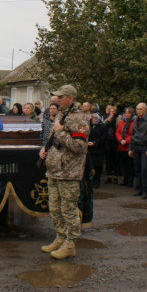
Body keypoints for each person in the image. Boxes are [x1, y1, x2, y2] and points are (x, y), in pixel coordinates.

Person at [38, 85, 89, 260]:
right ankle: (60, 237)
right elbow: (52, 136)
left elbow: (79, 146)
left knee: (68, 208)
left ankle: (70, 243)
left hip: (69, 171)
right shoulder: (61, 114)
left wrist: (60, 134)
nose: (56, 100)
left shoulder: (79, 118)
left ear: (70, 98)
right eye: (56, 97)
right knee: (55, 207)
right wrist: (44, 149)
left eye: (60, 97)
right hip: (54, 169)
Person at [129, 103, 147, 199]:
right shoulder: (136, 119)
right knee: (137, 169)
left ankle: (145, 190)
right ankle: (139, 189)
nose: (138, 111)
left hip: (145, 147)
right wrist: (130, 148)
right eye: (137, 109)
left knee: (144, 169)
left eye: (140, 109)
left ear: (145, 110)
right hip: (136, 146)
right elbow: (133, 134)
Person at [116, 107, 135, 187]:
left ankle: (130, 181)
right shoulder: (122, 122)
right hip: (121, 146)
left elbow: (133, 134)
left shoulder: (134, 122)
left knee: (130, 165)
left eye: (129, 113)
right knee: (124, 164)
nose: (127, 114)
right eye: (126, 112)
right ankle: (125, 179)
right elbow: (117, 132)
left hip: (129, 146)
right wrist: (120, 140)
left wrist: (126, 141)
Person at [87, 113, 106, 188]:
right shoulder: (90, 126)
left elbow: (103, 137)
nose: (94, 120)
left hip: (98, 148)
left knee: (98, 166)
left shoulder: (102, 126)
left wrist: (95, 142)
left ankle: (97, 181)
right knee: (91, 165)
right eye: (93, 119)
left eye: (95, 119)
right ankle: (92, 180)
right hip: (90, 149)